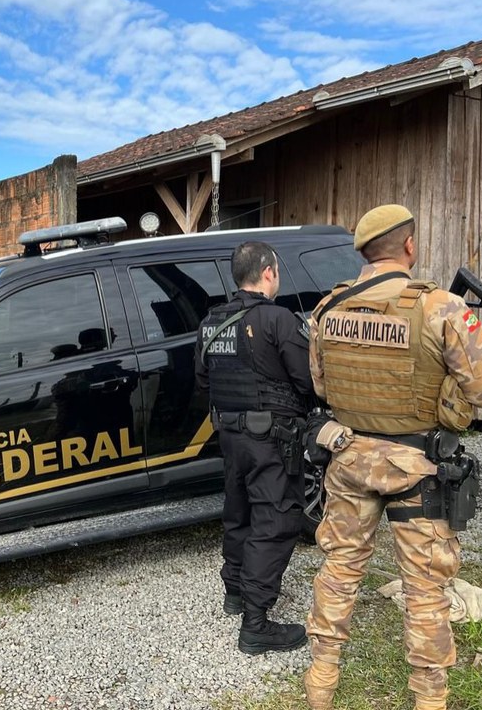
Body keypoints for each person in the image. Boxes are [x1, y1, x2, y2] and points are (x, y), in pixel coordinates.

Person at [303, 204, 482, 710]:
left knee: (340, 570)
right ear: (409, 246)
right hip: (417, 467)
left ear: (364, 252)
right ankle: (429, 700)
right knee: (426, 588)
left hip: (348, 459)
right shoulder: (441, 308)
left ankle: (320, 685)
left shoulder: (328, 309)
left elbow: (321, 385)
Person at [195, 241, 315, 655]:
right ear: (268, 272)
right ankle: (256, 623)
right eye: (277, 271)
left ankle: (234, 591)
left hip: (230, 435)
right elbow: (309, 382)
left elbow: (203, 381)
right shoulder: (279, 320)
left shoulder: (211, 321)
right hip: (271, 440)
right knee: (277, 519)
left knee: (238, 509)